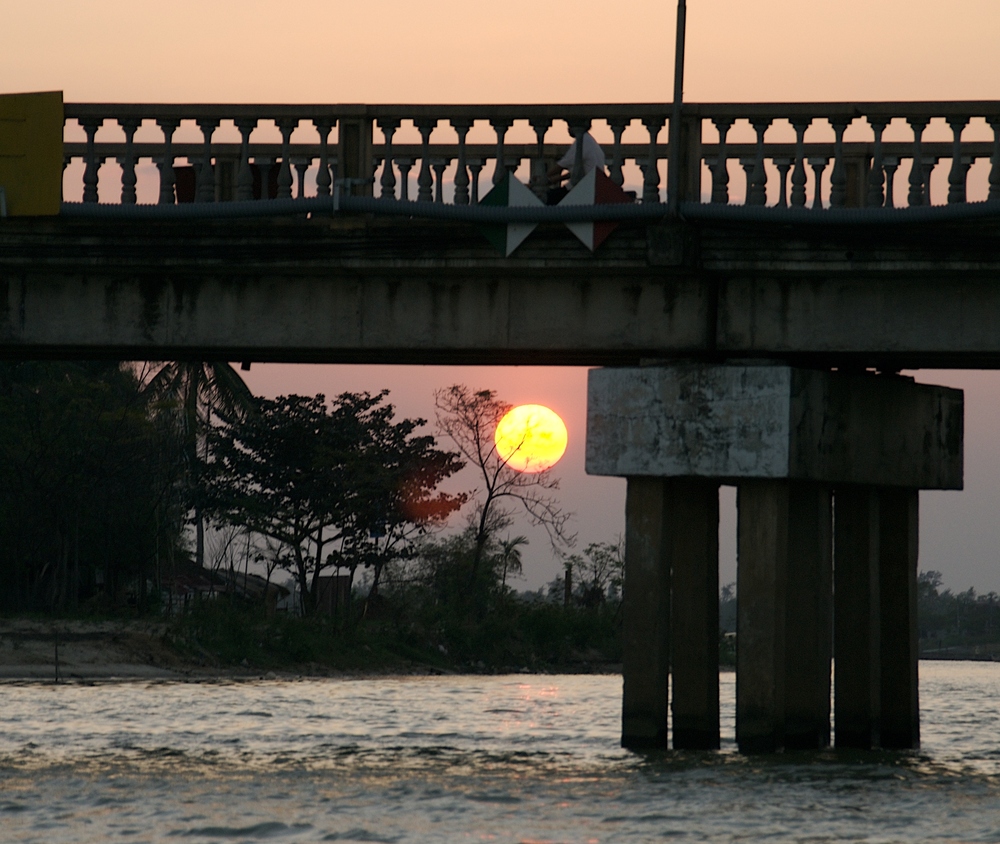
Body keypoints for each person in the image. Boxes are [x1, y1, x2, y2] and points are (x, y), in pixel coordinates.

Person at [546, 131, 606, 204]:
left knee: (546, 198)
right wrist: (558, 178)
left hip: (581, 190)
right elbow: (576, 172)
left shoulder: (582, 141)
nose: (568, 129)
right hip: (593, 188)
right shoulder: (590, 141)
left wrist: (542, 179)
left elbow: (562, 165)